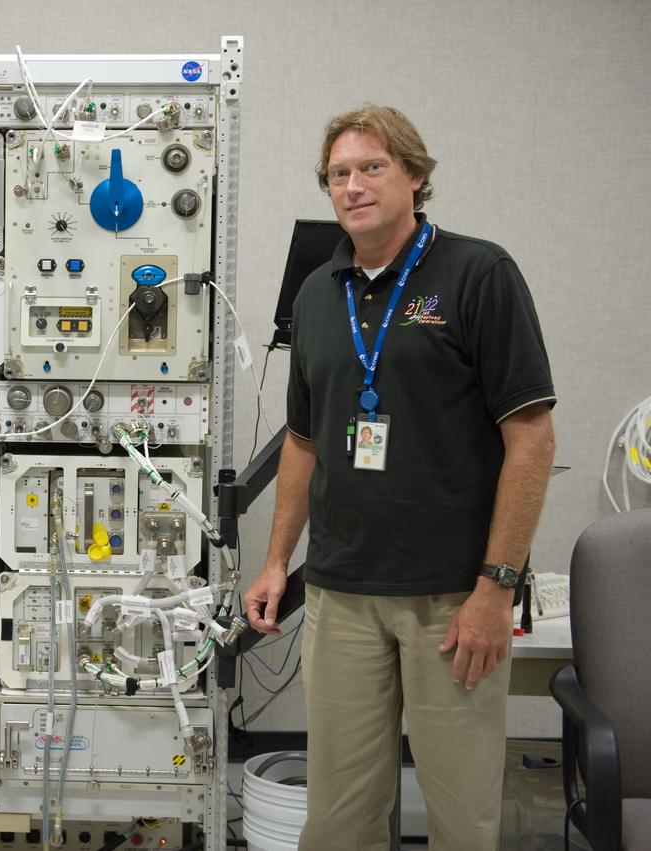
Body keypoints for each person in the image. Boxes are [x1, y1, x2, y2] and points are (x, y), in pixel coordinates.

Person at [242, 106, 555, 850]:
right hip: (343, 592)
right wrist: (279, 560)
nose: (353, 186)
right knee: (340, 815)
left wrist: (496, 586)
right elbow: (303, 442)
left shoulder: (479, 273)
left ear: (416, 175)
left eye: (372, 167)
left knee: (460, 813)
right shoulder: (320, 294)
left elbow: (532, 439)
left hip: (453, 598)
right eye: (338, 174)